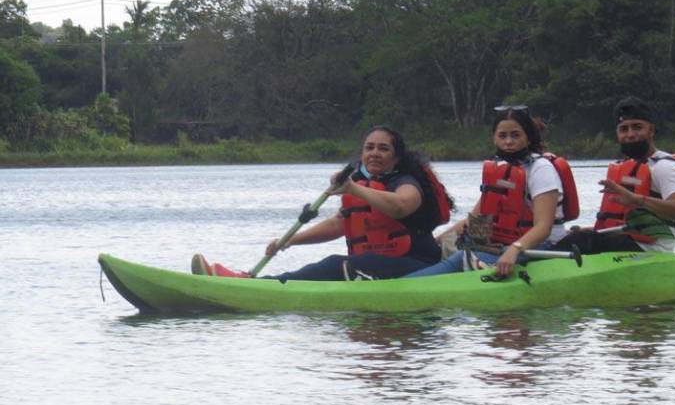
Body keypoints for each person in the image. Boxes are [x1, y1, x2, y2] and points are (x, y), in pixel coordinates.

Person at [192, 126, 454, 281]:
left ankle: (258, 285)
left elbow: (401, 206)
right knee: (337, 265)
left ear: (396, 158)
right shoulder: (362, 183)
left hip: (418, 265)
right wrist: (290, 241)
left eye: (383, 149)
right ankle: (254, 282)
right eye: (369, 147)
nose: (374, 153)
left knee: (335, 265)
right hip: (377, 263)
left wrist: (351, 188)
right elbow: (340, 224)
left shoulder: (406, 180)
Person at [405, 105, 579, 279]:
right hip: (504, 245)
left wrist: (514, 250)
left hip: (542, 246)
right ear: (494, 138)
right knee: (446, 251)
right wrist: (439, 241)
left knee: (459, 259)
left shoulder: (541, 169)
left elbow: (544, 227)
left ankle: (407, 287)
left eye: (515, 135)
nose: (508, 142)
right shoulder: (502, 171)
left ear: (528, 138)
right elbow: (476, 221)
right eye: (502, 136)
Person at [554, 96, 675, 254]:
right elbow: (626, 222)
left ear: (651, 130)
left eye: (637, 127)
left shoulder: (664, 167)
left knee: (581, 242)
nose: (630, 134)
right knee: (576, 236)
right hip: (626, 241)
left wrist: (637, 200)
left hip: (650, 248)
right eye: (624, 129)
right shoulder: (627, 166)